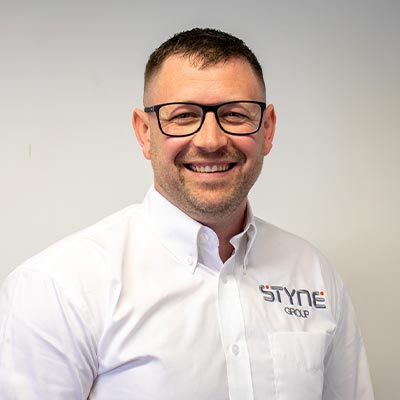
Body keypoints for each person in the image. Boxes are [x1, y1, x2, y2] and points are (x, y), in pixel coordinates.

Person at [0, 28, 374, 400]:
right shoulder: (59, 288)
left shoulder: (313, 273)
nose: (211, 140)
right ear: (144, 133)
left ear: (268, 128)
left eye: (235, 114)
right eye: (183, 116)